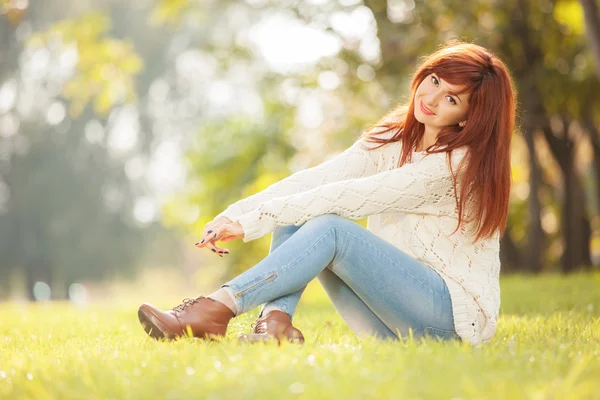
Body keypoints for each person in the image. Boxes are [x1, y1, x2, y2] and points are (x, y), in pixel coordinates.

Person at [137, 40, 517, 346]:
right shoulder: (394, 138)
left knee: (331, 226)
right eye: (435, 80)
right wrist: (236, 213)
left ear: (469, 116)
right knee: (299, 211)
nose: (431, 98)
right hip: (390, 325)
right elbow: (318, 181)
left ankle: (215, 308)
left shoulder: (455, 166)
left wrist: (252, 223)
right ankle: (275, 324)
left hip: (450, 326)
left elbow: (348, 197)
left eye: (452, 98)